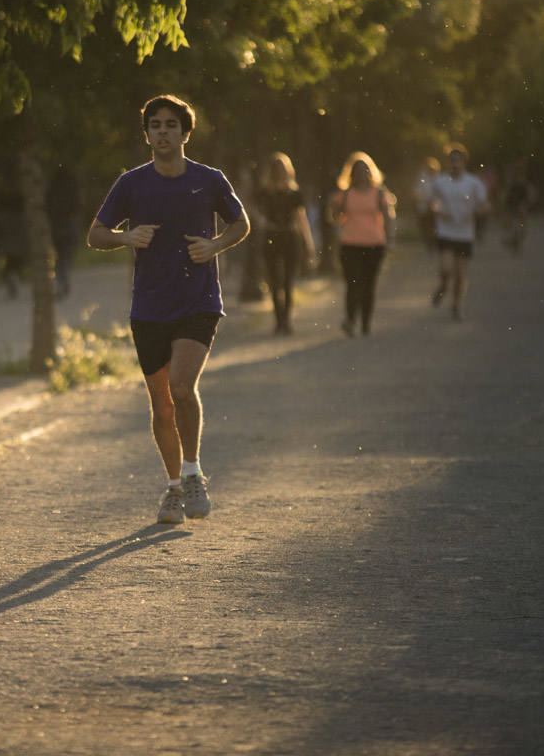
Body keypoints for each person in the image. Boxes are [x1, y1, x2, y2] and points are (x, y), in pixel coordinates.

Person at [87, 95, 249, 525]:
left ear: (185, 132)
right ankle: (174, 487)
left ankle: (194, 472)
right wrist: (127, 238)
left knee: (181, 387)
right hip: (149, 306)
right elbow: (96, 234)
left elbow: (241, 223)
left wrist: (214, 246)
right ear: (147, 134)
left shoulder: (209, 179)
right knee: (161, 404)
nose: (163, 131)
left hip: (198, 301)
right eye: (155, 125)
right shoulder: (132, 184)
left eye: (171, 125)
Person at [331, 152, 396, 337]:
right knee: (352, 284)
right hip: (349, 244)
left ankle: (366, 323)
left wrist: (390, 239)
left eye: (364, 169)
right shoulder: (345, 194)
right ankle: (350, 320)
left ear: (370, 171)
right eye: (357, 170)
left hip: (374, 245)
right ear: (351, 173)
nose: (361, 173)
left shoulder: (380, 193)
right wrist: (334, 208)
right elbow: (335, 218)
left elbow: (389, 216)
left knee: (368, 285)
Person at [254, 153, 316, 335]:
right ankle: (278, 320)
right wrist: (263, 222)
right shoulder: (264, 193)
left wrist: (309, 244)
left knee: (288, 281)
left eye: (283, 168)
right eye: (277, 168)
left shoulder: (295, 193)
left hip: (290, 237)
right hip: (271, 237)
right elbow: (255, 212)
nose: (280, 172)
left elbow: (302, 219)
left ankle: (286, 320)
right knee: (274, 281)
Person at [429, 143, 490, 321]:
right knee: (446, 268)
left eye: (459, 161)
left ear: (464, 162)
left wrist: (475, 212)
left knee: (461, 275)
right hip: (446, 232)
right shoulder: (440, 182)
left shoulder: (473, 183)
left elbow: (485, 205)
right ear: (448, 162)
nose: (455, 164)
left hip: (464, 234)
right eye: (452, 161)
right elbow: (432, 203)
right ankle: (442, 287)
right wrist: (438, 211)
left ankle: (456, 305)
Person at [46, 163, 81, 299]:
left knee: (60, 257)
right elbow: (78, 204)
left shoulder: (52, 187)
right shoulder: (73, 186)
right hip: (70, 224)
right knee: (66, 257)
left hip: (56, 225)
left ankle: (60, 283)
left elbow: (47, 204)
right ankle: (63, 282)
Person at [501, 157, 538, 255]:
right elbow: (506, 192)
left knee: (522, 226)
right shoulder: (512, 177)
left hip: (522, 204)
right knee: (510, 224)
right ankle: (512, 240)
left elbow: (531, 192)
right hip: (512, 204)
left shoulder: (527, 177)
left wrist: (527, 203)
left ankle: (515, 240)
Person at [412, 156, 441, 253]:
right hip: (423, 206)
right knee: (425, 226)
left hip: (436, 207)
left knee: (434, 226)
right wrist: (424, 199)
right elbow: (417, 192)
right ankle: (428, 243)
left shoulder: (439, 179)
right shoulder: (422, 178)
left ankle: (434, 243)